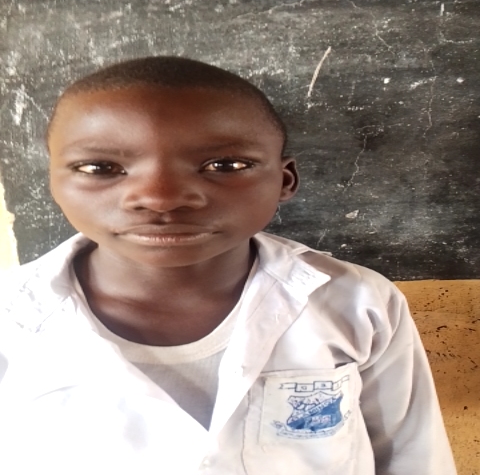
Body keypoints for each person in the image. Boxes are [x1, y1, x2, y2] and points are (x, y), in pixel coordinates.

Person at [0, 56, 456, 475]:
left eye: (224, 164)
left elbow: (415, 457)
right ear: (53, 181)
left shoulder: (355, 301)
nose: (160, 197)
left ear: (285, 180)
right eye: (100, 168)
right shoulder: (10, 318)